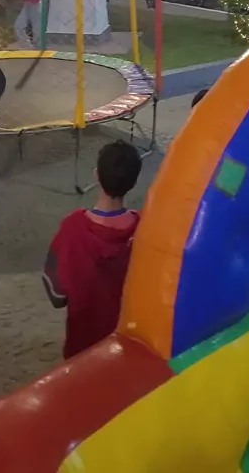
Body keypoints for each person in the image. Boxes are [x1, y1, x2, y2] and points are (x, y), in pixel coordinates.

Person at [42, 140, 142, 359]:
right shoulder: (144, 228)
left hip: (82, 350)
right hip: (126, 346)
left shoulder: (73, 227)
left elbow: (56, 294)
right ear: (134, 182)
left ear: (97, 175)